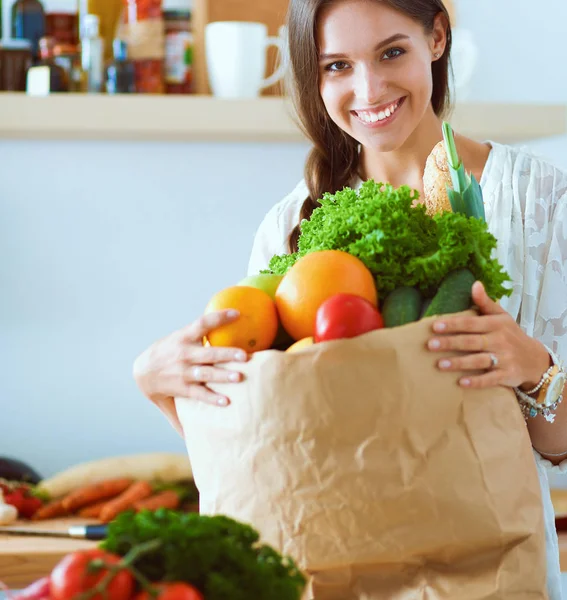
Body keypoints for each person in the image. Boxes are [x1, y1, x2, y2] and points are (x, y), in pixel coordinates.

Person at [133, 0, 567, 596]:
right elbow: (273, 441)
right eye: (337, 66)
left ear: (436, 38)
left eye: (392, 52)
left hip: (486, 565)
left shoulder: (540, 201)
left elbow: (556, 443)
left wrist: (535, 370)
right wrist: (159, 383)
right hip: (340, 566)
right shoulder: (289, 226)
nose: (369, 88)